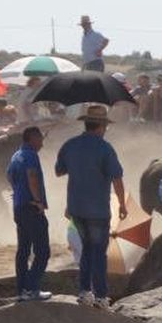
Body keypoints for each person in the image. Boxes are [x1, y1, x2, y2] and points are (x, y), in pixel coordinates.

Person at [53, 104, 128, 307]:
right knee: (99, 253)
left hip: (76, 208)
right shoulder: (105, 148)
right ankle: (102, 296)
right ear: (102, 126)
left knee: (86, 250)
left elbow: (58, 171)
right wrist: (122, 204)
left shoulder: (70, 145)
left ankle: (85, 292)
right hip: (98, 210)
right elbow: (117, 178)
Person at [6, 126, 52, 301]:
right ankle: (31, 288)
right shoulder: (31, 155)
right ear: (32, 138)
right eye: (40, 139)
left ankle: (22, 290)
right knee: (42, 251)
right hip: (31, 207)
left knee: (23, 250)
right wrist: (38, 201)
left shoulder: (16, 155)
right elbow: (32, 176)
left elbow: (9, 175)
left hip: (19, 207)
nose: (42, 143)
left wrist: (17, 190)